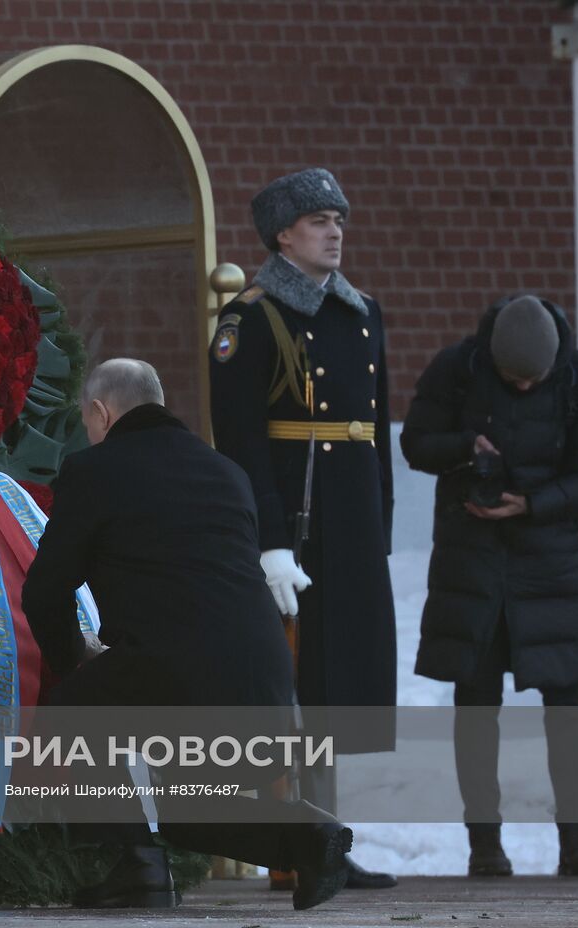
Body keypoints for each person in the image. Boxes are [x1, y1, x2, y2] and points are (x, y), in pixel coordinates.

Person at [21, 358, 355, 912]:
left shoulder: (94, 470)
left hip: (174, 675)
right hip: (265, 683)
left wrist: (76, 660)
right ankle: (308, 836)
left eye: (88, 421)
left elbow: (44, 593)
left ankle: (136, 865)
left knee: (71, 710)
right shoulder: (226, 472)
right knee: (184, 811)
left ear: (101, 413)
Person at [208, 168, 397, 890]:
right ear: (284, 234)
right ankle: (298, 843)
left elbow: (372, 428)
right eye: (319, 220)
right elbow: (242, 437)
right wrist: (270, 539)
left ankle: (322, 841)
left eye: (339, 219)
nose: (335, 231)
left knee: (341, 681)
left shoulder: (361, 311)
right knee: (297, 685)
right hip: (297, 521)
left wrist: (380, 520)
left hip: (350, 521)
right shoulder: (251, 318)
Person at [401, 294, 578, 877]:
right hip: (472, 562)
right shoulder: (459, 368)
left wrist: (533, 503)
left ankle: (576, 843)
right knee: (476, 707)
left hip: (551, 563)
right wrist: (465, 448)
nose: (523, 388)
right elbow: (415, 443)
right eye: (511, 378)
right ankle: (485, 846)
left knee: (567, 708)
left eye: (534, 379)